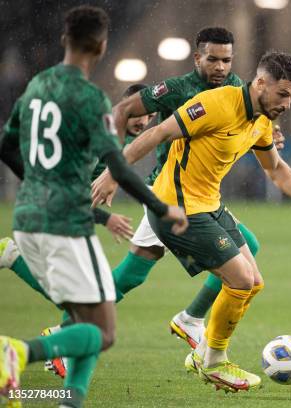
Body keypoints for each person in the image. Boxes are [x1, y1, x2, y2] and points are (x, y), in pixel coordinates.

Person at [91, 50, 291, 393]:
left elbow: (276, 168)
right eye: (282, 95)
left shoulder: (262, 120)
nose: (287, 104)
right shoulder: (215, 104)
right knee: (239, 279)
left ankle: (203, 351)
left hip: (207, 205)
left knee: (254, 283)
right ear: (261, 83)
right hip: (175, 207)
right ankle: (214, 362)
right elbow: (159, 133)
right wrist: (114, 174)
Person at [0, 6, 187, 408]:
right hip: (65, 225)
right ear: (101, 46)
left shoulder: (36, 87)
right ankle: (15, 351)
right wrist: (160, 206)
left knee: (84, 319)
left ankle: (69, 401)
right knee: (102, 332)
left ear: (64, 40)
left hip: (28, 217)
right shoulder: (89, 98)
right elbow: (118, 162)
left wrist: (34, 179)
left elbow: (4, 145)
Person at [104, 27, 281, 348]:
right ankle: (64, 335)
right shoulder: (177, 88)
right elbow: (124, 110)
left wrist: (270, 135)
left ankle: (191, 319)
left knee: (134, 273)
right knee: (132, 274)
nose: (220, 67)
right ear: (197, 57)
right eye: (212, 59)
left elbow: (256, 120)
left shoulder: (235, 88)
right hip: (167, 190)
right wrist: (112, 171)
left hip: (198, 196)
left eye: (226, 60)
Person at [0, 83, 154, 304]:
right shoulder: (100, 132)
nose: (144, 121)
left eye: (150, 116)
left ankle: (12, 257)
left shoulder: (123, 138)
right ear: (124, 105)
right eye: (140, 113)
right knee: (90, 301)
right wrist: (106, 218)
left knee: (85, 300)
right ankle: (12, 258)